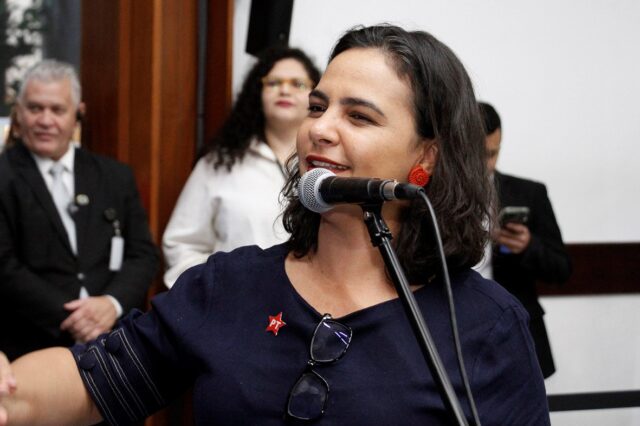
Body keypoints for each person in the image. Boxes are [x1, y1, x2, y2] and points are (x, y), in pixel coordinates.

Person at [0, 25, 550, 425]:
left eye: (358, 116)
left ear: (425, 158)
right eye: (318, 107)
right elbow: (92, 381)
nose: (320, 129)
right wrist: (10, 393)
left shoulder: (485, 324)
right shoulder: (229, 285)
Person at [0, 60, 159, 361]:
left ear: (78, 113)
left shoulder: (114, 176)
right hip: (32, 347)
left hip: (114, 344)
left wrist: (111, 304)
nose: (45, 120)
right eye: (35, 108)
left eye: (57, 110)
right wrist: (78, 318)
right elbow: (4, 266)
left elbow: (143, 254)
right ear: (19, 112)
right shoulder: (4, 176)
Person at [161, 46, 321, 288]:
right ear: (258, 93)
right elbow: (181, 245)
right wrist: (217, 288)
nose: (285, 90)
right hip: (233, 302)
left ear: (316, 98)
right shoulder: (220, 162)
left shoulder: (327, 164)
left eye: (297, 84)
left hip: (310, 301)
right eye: (274, 83)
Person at [475, 101, 572, 378]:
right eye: (478, 155)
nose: (487, 165)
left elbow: (562, 268)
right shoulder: (434, 196)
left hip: (516, 326)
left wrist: (529, 246)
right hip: (457, 325)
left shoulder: (529, 193)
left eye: (493, 154)